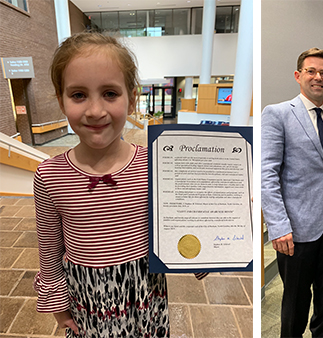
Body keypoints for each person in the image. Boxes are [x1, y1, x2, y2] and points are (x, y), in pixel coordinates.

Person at [34, 32, 205, 337]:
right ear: (60, 100)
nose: (95, 110)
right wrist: (57, 304)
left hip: (144, 297)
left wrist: (207, 247)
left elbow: (181, 226)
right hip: (86, 302)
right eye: (78, 95)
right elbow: (49, 252)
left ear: (132, 98)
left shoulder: (156, 164)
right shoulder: (49, 176)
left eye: (110, 94)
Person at [261, 47, 323, 337]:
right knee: (296, 301)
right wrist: (278, 226)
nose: (318, 77)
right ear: (298, 76)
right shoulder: (278, 114)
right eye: (311, 71)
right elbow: (267, 173)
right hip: (295, 230)